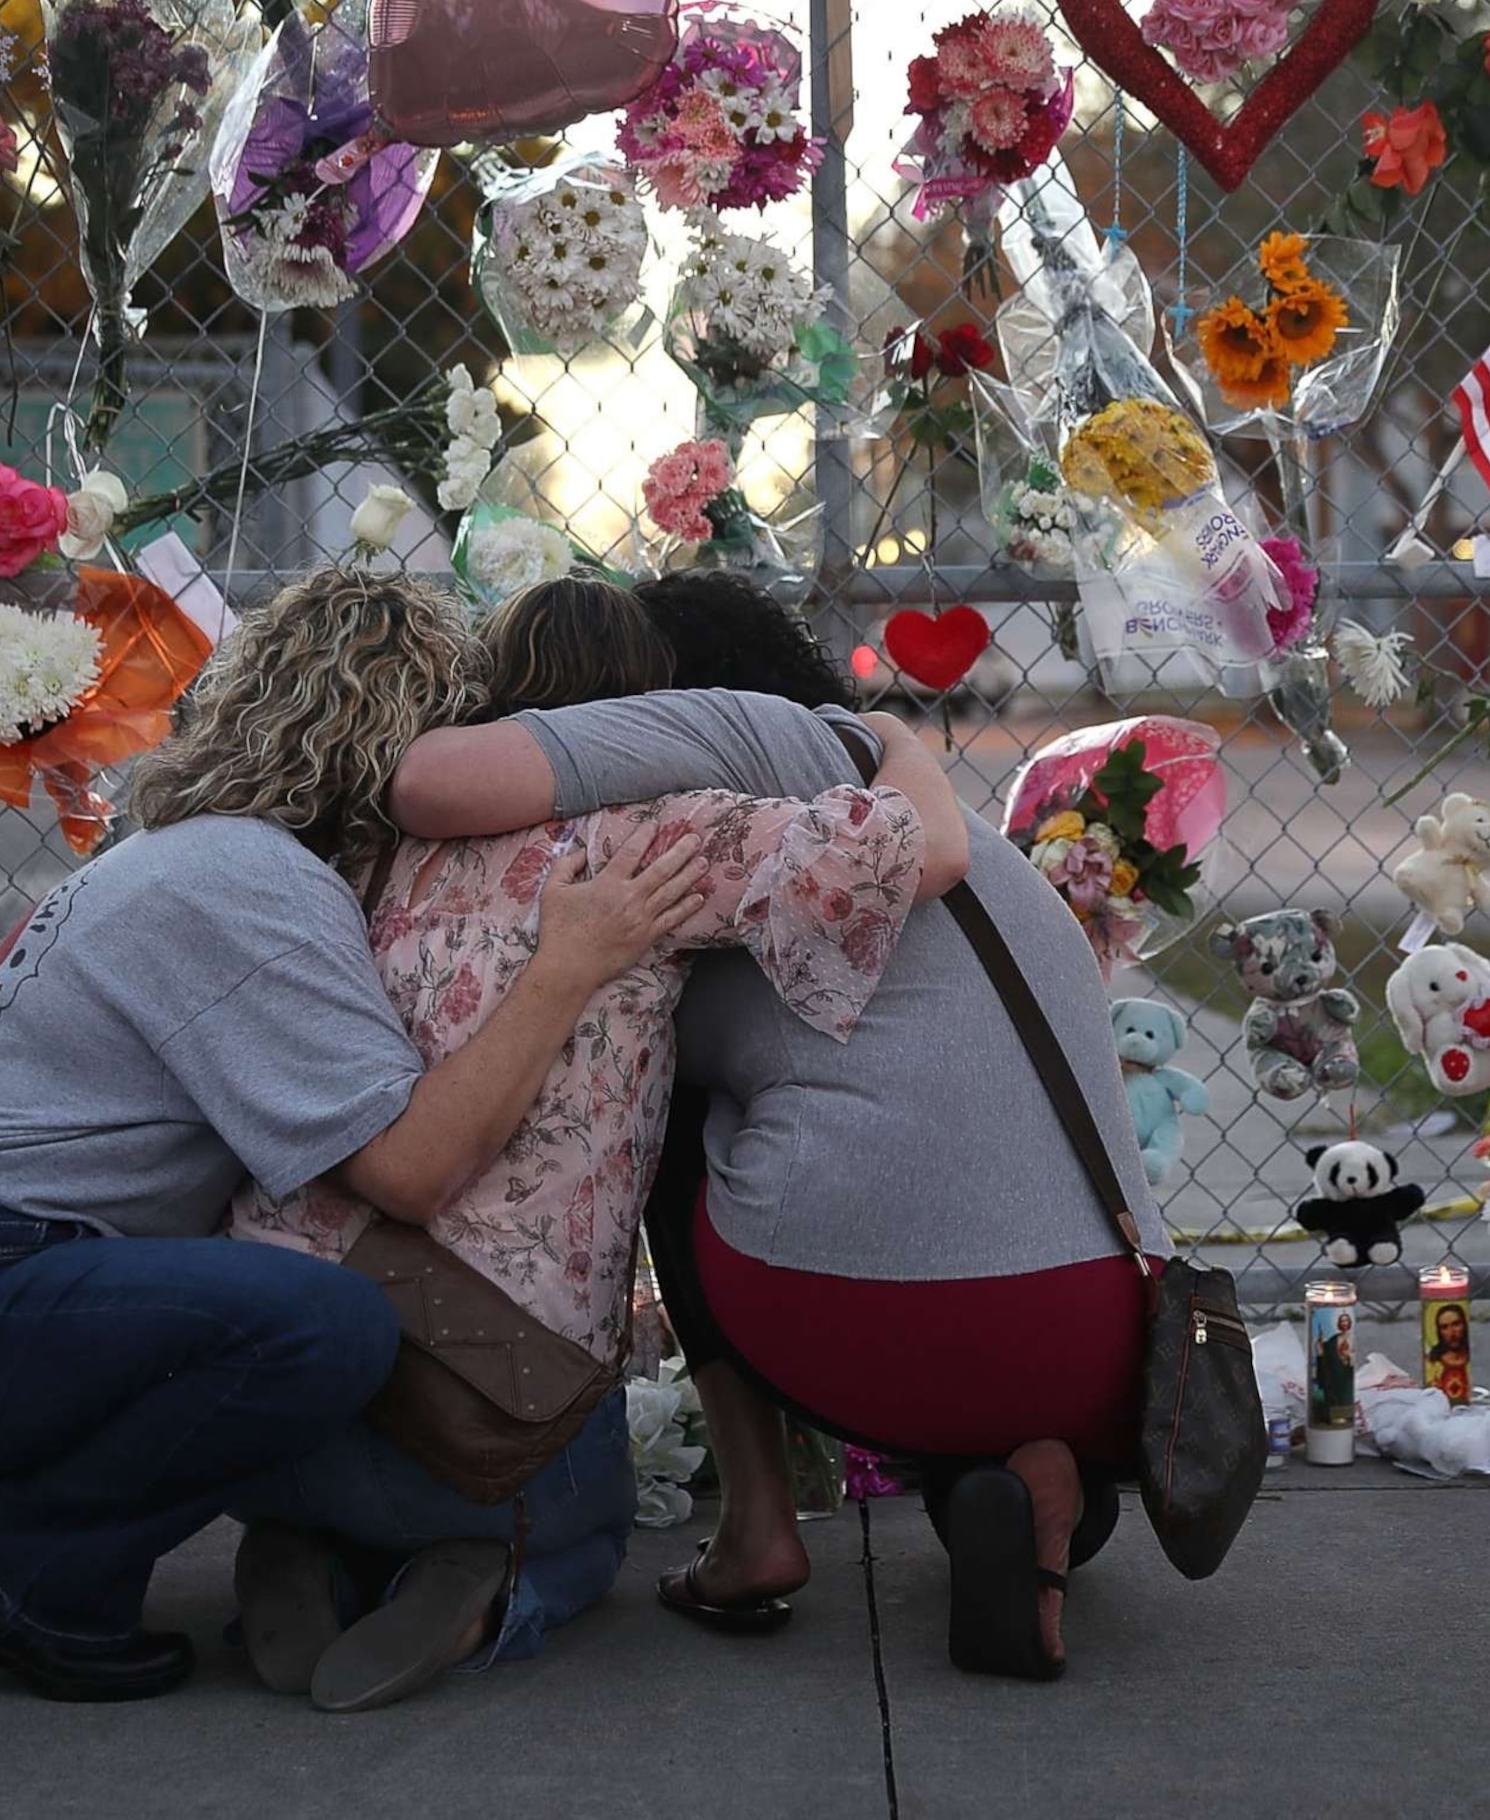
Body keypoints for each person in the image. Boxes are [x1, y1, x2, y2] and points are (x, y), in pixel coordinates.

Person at [0, 570, 711, 1705]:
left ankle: (0, 1506)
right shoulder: (257, 884)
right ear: (396, 747)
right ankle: (23, 1571)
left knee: (267, 1297)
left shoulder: (178, 855)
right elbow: (413, 1169)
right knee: (326, 1324)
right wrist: (566, 967)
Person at [387, 570, 1173, 1681]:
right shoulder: (925, 818)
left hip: (856, 1305)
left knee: (670, 1094)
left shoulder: (729, 778)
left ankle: (758, 1522)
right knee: (1044, 1483)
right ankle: (1028, 1466)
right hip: (1105, 1331)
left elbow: (424, 780)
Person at [223, 576, 965, 1705]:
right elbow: (915, 851)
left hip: (279, 1317)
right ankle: (494, 1580)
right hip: (485, 1377)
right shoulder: (652, 836)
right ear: (644, 709)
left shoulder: (367, 838)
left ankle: (304, 1537)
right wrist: (896, 738)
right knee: (580, 1520)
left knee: (331, 1443)